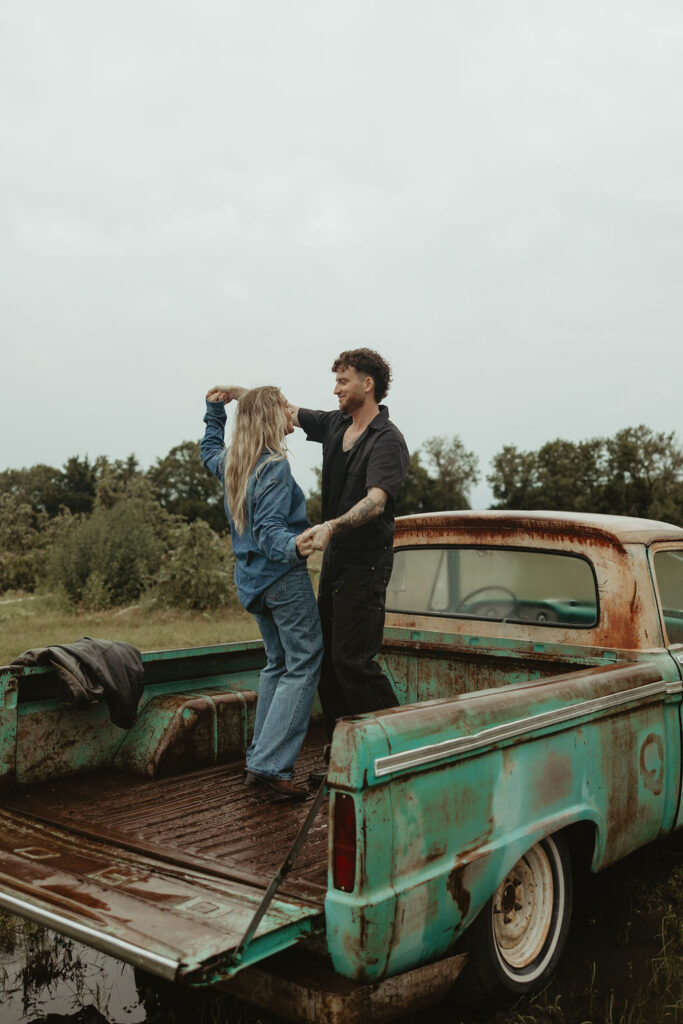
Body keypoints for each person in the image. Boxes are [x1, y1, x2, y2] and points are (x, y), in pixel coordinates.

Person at [213, 349, 409, 740]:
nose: (334, 389)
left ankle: (399, 739)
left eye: (342, 381)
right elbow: (281, 409)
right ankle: (341, 749)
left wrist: (331, 527)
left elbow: (376, 501)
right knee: (327, 663)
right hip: (335, 560)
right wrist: (241, 393)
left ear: (367, 385)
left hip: (366, 563)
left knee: (351, 660)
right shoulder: (336, 424)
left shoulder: (387, 440)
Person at [200, 384, 322, 801]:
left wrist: (215, 411)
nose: (291, 412)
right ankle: (271, 768)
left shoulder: (231, 463)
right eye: (283, 408)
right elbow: (272, 535)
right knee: (304, 662)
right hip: (282, 578)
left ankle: (260, 759)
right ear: (271, 419)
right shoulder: (274, 467)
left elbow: (207, 449)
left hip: (250, 580)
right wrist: (300, 543)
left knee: (277, 662)